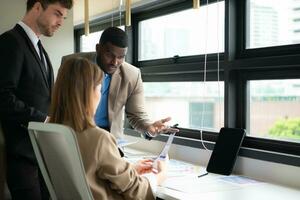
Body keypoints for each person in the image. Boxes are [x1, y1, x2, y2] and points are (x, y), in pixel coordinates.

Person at [49, 57, 167, 200]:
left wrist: (129, 170)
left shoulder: (51, 131)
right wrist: (159, 177)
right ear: (88, 93)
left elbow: (89, 174)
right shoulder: (98, 138)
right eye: (99, 88)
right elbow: (135, 191)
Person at [0, 0, 73, 199]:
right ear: (38, 7)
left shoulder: (42, 50)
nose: (60, 22)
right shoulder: (10, 41)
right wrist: (44, 120)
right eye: (57, 14)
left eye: (64, 18)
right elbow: (3, 97)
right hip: (22, 156)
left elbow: (43, 98)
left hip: (43, 154)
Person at [63, 27, 178, 139]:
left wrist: (149, 128)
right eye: (109, 55)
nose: (115, 62)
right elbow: (59, 105)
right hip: (74, 136)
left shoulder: (132, 75)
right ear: (98, 49)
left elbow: (137, 115)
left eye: (121, 57)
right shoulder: (72, 64)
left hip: (111, 139)